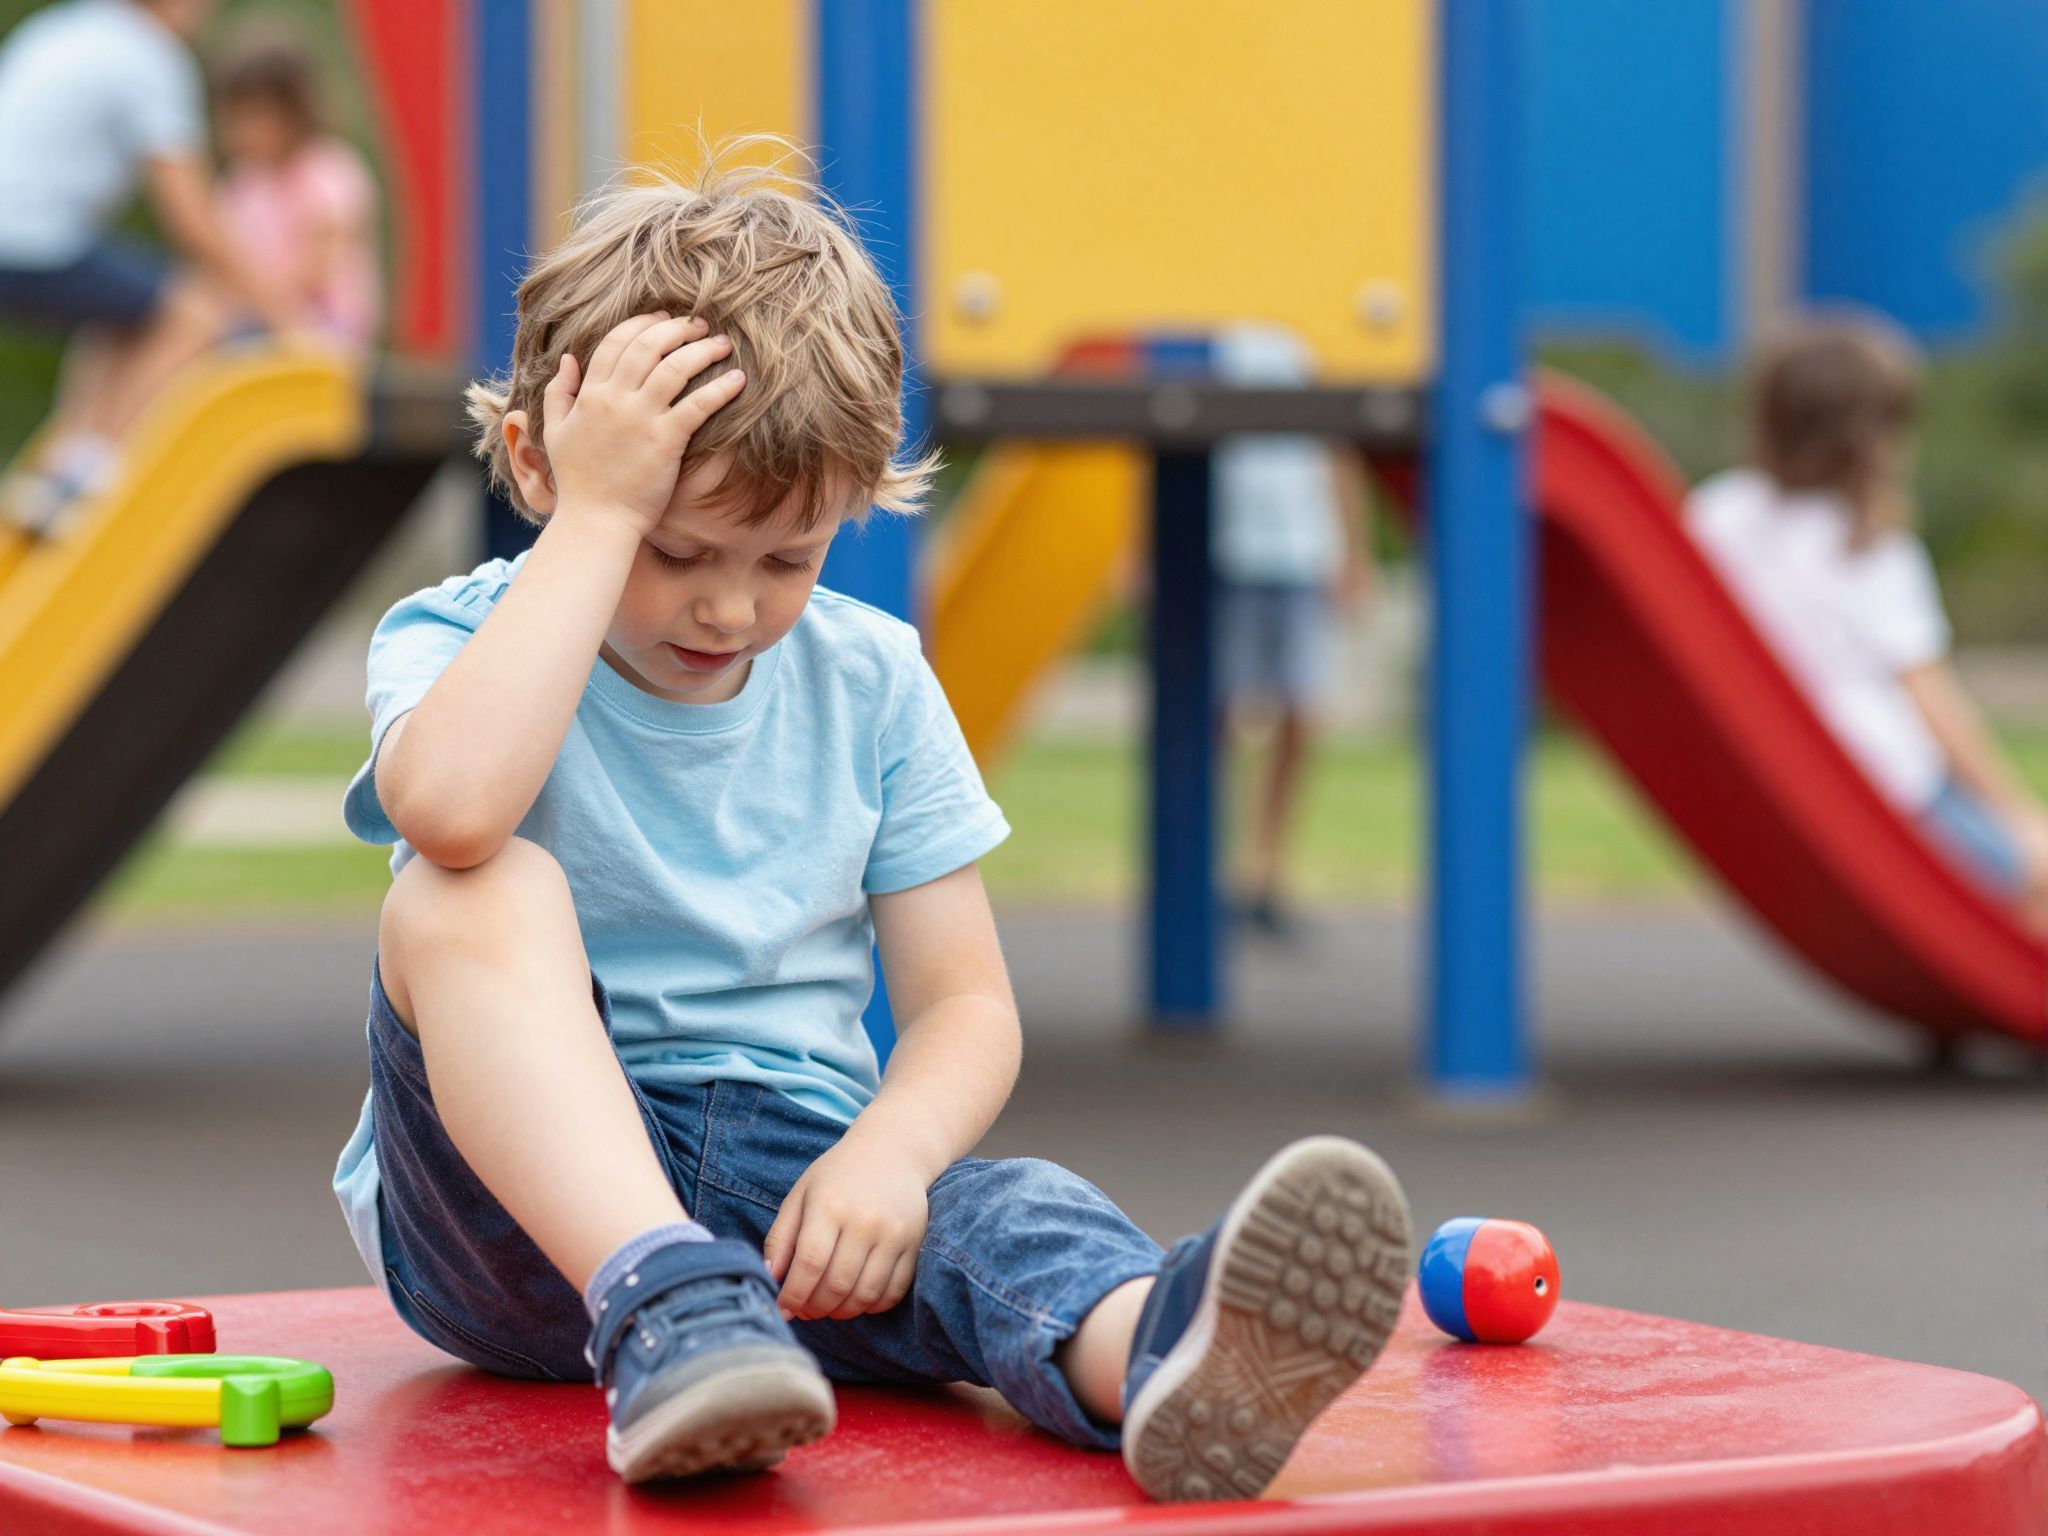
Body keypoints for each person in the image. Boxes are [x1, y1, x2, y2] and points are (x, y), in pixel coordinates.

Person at [331, 148, 1414, 1495]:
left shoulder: (872, 678)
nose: (730, 608)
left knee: (996, 1218)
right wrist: (597, 517)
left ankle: (1165, 1358)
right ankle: (665, 1296)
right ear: (534, 464)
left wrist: (887, 1165)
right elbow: (448, 809)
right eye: (674, 552)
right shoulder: (459, 636)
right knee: (465, 888)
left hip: (791, 1184)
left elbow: (965, 1009)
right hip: (507, 1224)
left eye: (788, 558)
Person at [1687, 314, 2048, 918]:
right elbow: (1931, 700)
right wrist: (2018, 818)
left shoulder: (1718, 514)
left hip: (1779, 782)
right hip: (1891, 793)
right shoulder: (1870, 548)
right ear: (1881, 437)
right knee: (2033, 879)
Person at [0, 0, 296, 527]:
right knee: (196, 313)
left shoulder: (67, 27)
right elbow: (193, 221)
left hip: (20, 236)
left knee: (124, 312)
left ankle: (62, 463)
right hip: (32, 238)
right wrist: (283, 317)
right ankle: (89, 471)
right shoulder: (150, 56)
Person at [1211, 324, 1372, 938]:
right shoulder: (1207, 336)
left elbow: (1338, 450)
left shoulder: (1311, 326)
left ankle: (1267, 867)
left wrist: (1353, 550)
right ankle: (1218, 864)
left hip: (1302, 551)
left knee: (1302, 709)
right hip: (1224, 545)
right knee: (1220, 713)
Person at [213, 24, 379, 348]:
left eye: (256, 115)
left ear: (296, 111)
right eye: (235, 117)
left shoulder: (329, 172)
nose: (244, 131)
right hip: (256, 319)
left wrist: (249, 294)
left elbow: (315, 269)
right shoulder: (242, 183)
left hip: (323, 330)